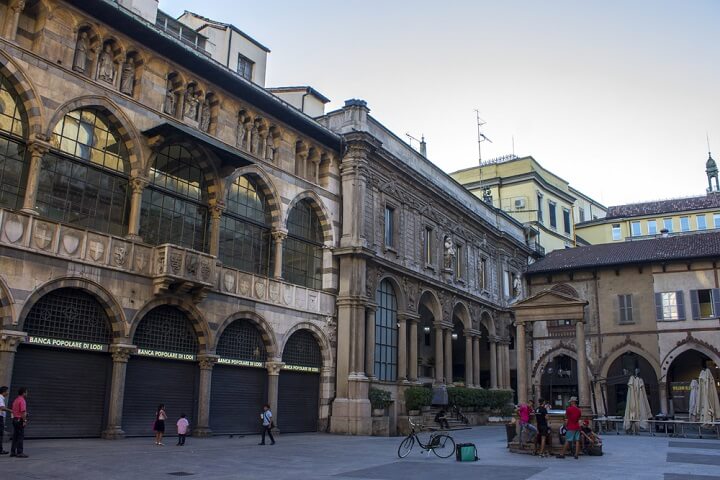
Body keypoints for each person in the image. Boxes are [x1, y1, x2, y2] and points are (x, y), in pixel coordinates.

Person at [10, 387, 28, 458]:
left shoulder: (16, 400)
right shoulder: (22, 400)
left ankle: (13, 452)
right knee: (20, 436)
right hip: (19, 420)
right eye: (26, 392)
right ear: (23, 393)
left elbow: (14, 410)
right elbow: (23, 412)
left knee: (15, 436)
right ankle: (20, 452)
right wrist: (24, 420)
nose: (27, 394)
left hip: (14, 419)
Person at [0, 386, 10, 454]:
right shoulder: (0, 398)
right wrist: (11, 410)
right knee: (0, 434)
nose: (7, 393)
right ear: (3, 392)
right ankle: (0, 450)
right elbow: (2, 407)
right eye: (7, 391)